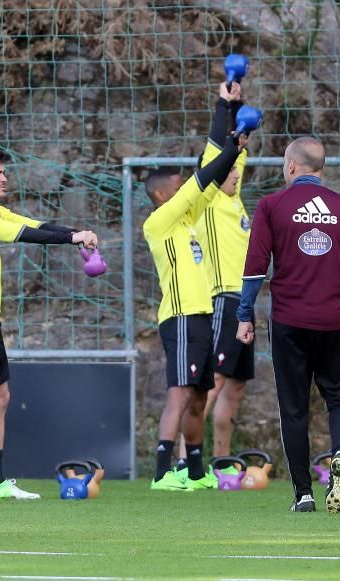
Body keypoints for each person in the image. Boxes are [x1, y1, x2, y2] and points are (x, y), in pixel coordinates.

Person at [236, 136, 340, 513]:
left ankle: (303, 493)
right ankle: (338, 455)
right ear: (321, 169)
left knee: (294, 408)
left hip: (289, 321)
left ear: (290, 167)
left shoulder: (271, 206)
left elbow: (255, 265)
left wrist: (244, 314)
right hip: (336, 322)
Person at [0, 143, 97, 502]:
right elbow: (24, 235)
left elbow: (32, 224)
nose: (4, 178)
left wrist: (74, 235)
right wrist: (73, 237)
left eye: (4, 172)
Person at [142, 116, 247, 492]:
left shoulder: (187, 221)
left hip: (202, 315)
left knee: (200, 395)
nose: (185, 187)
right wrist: (231, 150)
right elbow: (202, 180)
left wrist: (232, 132)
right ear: (161, 195)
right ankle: (161, 472)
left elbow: (208, 184)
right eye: (178, 185)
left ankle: (197, 472)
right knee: (180, 392)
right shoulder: (160, 221)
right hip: (181, 316)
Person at [175, 81, 255, 473]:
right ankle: (182, 461)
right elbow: (217, 147)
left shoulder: (234, 198)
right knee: (216, 381)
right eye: (229, 169)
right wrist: (225, 105)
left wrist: (242, 113)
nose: (236, 173)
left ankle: (222, 461)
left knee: (236, 387)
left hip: (246, 302)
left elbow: (234, 152)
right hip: (223, 298)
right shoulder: (207, 200)